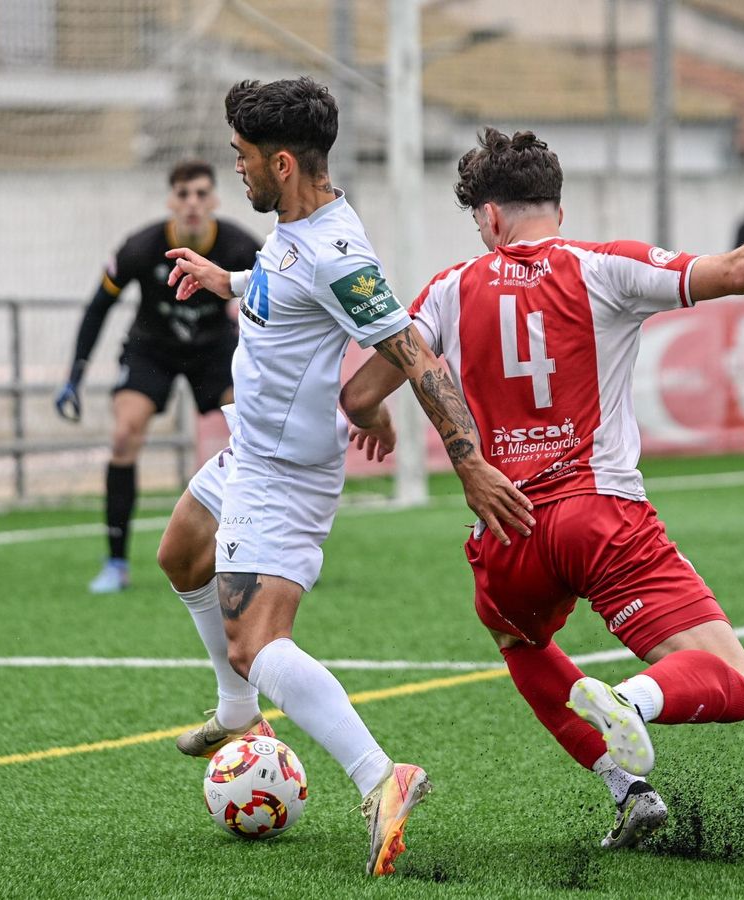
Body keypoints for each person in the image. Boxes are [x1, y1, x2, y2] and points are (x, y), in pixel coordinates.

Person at [341, 128, 744, 850]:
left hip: (508, 527)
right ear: (557, 206)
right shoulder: (605, 267)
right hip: (600, 518)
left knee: (516, 637)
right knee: (734, 680)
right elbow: (739, 269)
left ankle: (627, 789)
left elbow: (361, 392)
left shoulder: (449, 288)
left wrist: (376, 419)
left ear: (489, 217)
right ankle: (633, 700)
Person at [159, 78, 534, 877]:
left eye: (244, 158)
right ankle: (238, 713)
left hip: (283, 477)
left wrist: (467, 462)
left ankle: (380, 777)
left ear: (283, 164)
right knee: (182, 553)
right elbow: (285, 286)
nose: (237, 170)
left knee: (256, 643)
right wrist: (227, 281)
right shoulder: (297, 226)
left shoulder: (336, 252)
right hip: (250, 451)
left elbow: (416, 356)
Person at [55, 160, 262, 594]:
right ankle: (116, 563)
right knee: (123, 436)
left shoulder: (241, 246)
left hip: (214, 349)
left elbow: (281, 300)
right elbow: (98, 307)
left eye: (201, 194)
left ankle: (266, 556)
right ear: (171, 201)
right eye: (183, 195)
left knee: (254, 435)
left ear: (214, 199)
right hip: (152, 349)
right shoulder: (141, 247)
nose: (192, 203)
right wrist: (75, 374)